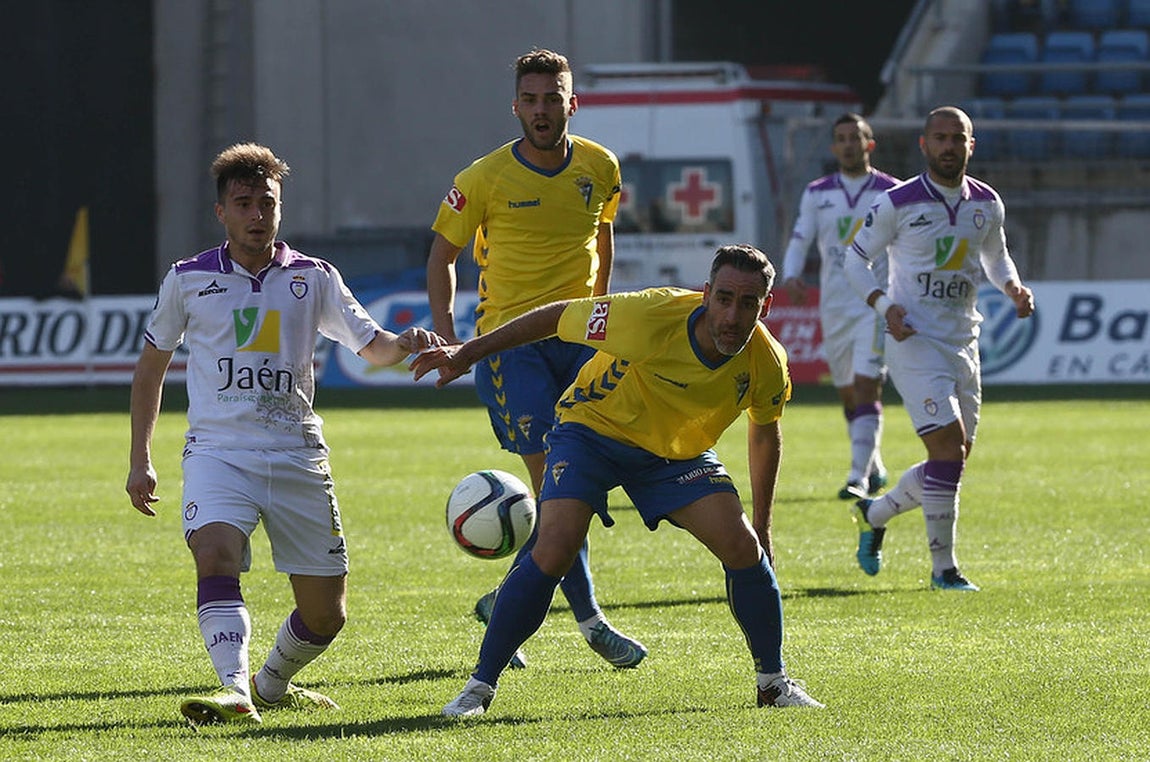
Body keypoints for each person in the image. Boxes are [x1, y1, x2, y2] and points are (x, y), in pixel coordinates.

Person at [413, 244, 825, 715]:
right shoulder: (649, 314)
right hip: (592, 431)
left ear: (765, 306)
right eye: (724, 298)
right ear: (706, 294)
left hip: (673, 455)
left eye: (748, 303)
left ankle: (772, 685)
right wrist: (470, 351)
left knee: (744, 548)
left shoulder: (766, 360)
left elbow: (765, 433)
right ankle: (479, 688)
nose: (733, 315)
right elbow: (558, 317)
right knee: (555, 548)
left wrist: (765, 524)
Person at [126, 143, 439, 725]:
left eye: (266, 203)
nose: (257, 215)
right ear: (221, 212)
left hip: (297, 454)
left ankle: (271, 684)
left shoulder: (313, 277)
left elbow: (372, 345)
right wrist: (140, 458)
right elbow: (151, 368)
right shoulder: (188, 280)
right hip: (219, 454)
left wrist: (406, 345)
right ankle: (235, 690)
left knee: (326, 616)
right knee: (214, 551)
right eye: (243, 203)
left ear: (281, 207)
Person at [426, 48, 645, 669]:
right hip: (509, 346)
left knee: (577, 485)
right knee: (559, 484)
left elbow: (602, 233)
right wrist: (449, 340)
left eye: (554, 98)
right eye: (532, 99)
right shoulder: (483, 178)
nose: (543, 110)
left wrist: (604, 316)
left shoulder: (601, 166)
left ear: (572, 104)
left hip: (579, 341)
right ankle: (592, 622)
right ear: (516, 106)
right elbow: (441, 255)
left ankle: (503, 604)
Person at [844, 106, 1035, 592]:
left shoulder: (987, 203)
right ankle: (943, 570)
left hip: (963, 343)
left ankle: (877, 511)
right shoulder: (896, 202)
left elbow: (996, 256)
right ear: (924, 145)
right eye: (941, 138)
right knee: (947, 448)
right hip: (913, 340)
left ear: (972, 145)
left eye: (959, 138)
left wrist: (1012, 287)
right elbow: (855, 259)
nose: (950, 146)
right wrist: (884, 304)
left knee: (954, 458)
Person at [781, 113, 900, 501]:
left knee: (868, 385)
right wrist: (792, 274)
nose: (849, 144)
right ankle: (875, 467)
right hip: (834, 306)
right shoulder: (817, 193)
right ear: (834, 148)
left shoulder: (892, 192)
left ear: (870, 144)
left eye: (856, 137)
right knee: (850, 394)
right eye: (842, 138)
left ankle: (857, 477)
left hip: (875, 303)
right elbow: (801, 237)